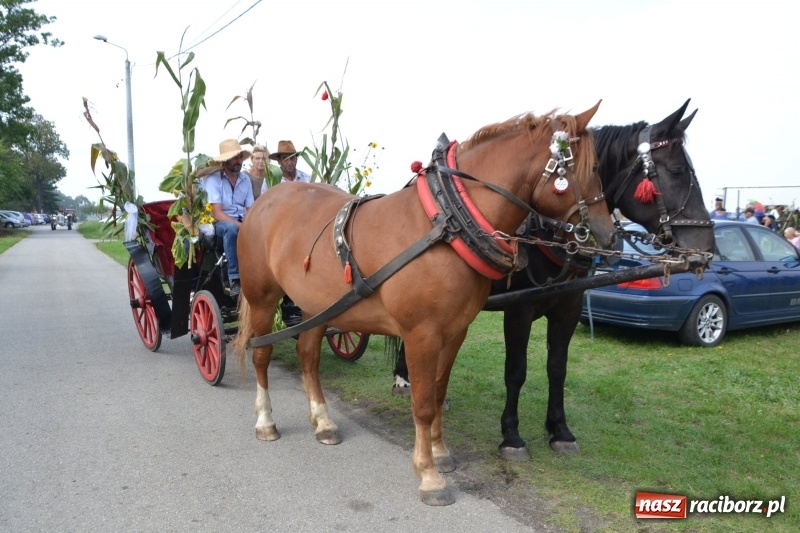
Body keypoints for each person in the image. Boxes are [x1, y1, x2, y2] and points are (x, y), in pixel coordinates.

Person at [203, 139, 254, 298]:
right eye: (235, 158)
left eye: (240, 157)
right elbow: (217, 213)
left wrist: (253, 224)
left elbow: (250, 208)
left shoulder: (245, 179)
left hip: (241, 220)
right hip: (219, 224)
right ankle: (234, 279)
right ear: (225, 161)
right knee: (231, 229)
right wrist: (241, 226)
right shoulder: (213, 180)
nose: (239, 161)